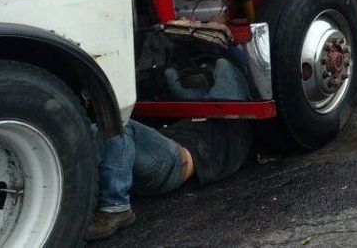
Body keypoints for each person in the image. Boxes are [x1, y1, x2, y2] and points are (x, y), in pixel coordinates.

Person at [87, 59, 256, 241]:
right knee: (91, 131)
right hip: (151, 168)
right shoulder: (201, 114)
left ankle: (116, 208)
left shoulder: (231, 121)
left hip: (175, 162)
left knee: (117, 125)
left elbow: (224, 66)